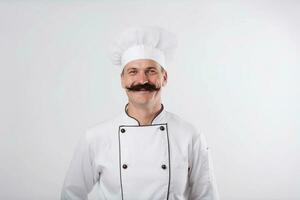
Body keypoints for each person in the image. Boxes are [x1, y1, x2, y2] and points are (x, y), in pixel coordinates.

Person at [61, 26, 219, 200]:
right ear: (123, 80)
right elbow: (71, 194)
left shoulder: (190, 136)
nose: (142, 80)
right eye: (133, 71)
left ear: (164, 77)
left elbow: (207, 196)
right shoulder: (95, 138)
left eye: (151, 71)